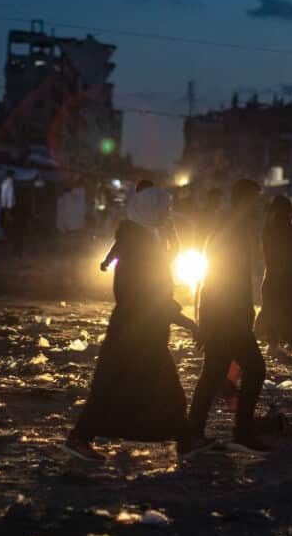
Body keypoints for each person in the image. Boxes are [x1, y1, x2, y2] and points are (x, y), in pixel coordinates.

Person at [66, 187, 204, 462]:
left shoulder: (144, 237)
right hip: (133, 332)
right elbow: (143, 292)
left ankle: (184, 438)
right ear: (150, 209)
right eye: (164, 207)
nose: (168, 212)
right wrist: (184, 320)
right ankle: (80, 437)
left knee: (161, 388)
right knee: (113, 386)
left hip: (145, 331)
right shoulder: (138, 243)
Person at [187, 179, 270, 456]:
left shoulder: (232, 229)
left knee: (212, 375)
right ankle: (242, 433)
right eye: (254, 201)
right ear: (243, 202)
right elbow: (214, 281)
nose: (258, 207)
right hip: (227, 320)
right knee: (255, 369)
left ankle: (192, 436)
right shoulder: (230, 231)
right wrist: (209, 322)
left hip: (225, 318)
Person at [255, 196, 292, 354]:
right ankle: (284, 340)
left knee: (274, 308)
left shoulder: (270, 228)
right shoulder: (284, 228)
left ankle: (276, 340)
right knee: (288, 307)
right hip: (283, 273)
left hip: (275, 273)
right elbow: (290, 254)